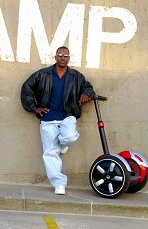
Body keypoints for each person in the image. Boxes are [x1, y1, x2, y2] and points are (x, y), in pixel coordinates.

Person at [21, 46, 95, 195]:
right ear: (55, 57)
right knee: (50, 152)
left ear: (69, 58)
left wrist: (86, 93)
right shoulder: (43, 74)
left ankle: (62, 143)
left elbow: (88, 87)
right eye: (60, 55)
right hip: (48, 118)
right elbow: (26, 88)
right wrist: (34, 108)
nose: (63, 57)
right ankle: (59, 184)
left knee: (69, 136)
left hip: (67, 115)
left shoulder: (76, 76)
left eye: (65, 55)